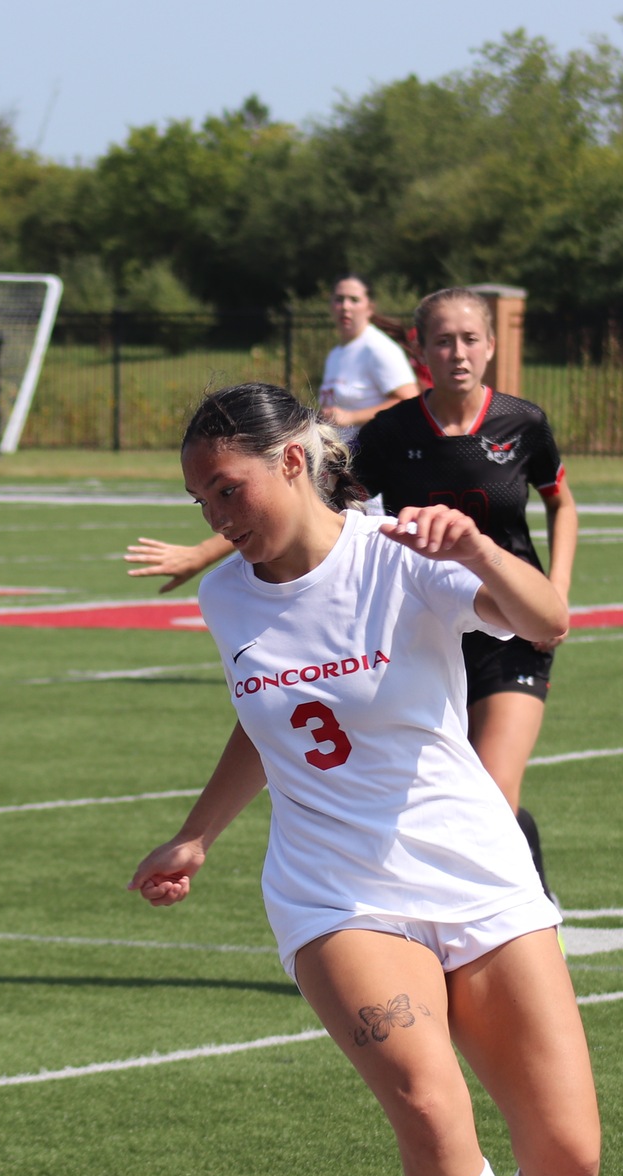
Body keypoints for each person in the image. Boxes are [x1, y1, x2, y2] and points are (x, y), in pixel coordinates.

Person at [129, 382, 621, 1176]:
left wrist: (481, 550)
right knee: (427, 1100)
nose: (214, 516)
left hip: (473, 869)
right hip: (333, 892)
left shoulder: (404, 555)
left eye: (226, 488)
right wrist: (198, 832)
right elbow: (271, 718)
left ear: (292, 463)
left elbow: (551, 622)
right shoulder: (225, 598)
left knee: (568, 1159)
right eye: (199, 497)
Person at [127, 287, 579, 900]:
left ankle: (526, 901)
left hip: (493, 604)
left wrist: (506, 563)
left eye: (470, 338)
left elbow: (551, 598)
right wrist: (197, 834)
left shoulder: (416, 540)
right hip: (338, 881)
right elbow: (310, 509)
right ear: (419, 348)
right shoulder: (388, 438)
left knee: (493, 792)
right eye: (442, 340)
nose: (458, 352)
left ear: (492, 345)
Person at [319, 273, 421, 431]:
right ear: (330, 305)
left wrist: (352, 417)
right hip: (343, 453)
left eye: (354, 300)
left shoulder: (378, 348)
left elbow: (410, 400)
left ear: (370, 308)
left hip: (372, 452)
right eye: (339, 299)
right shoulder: (336, 353)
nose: (345, 306)